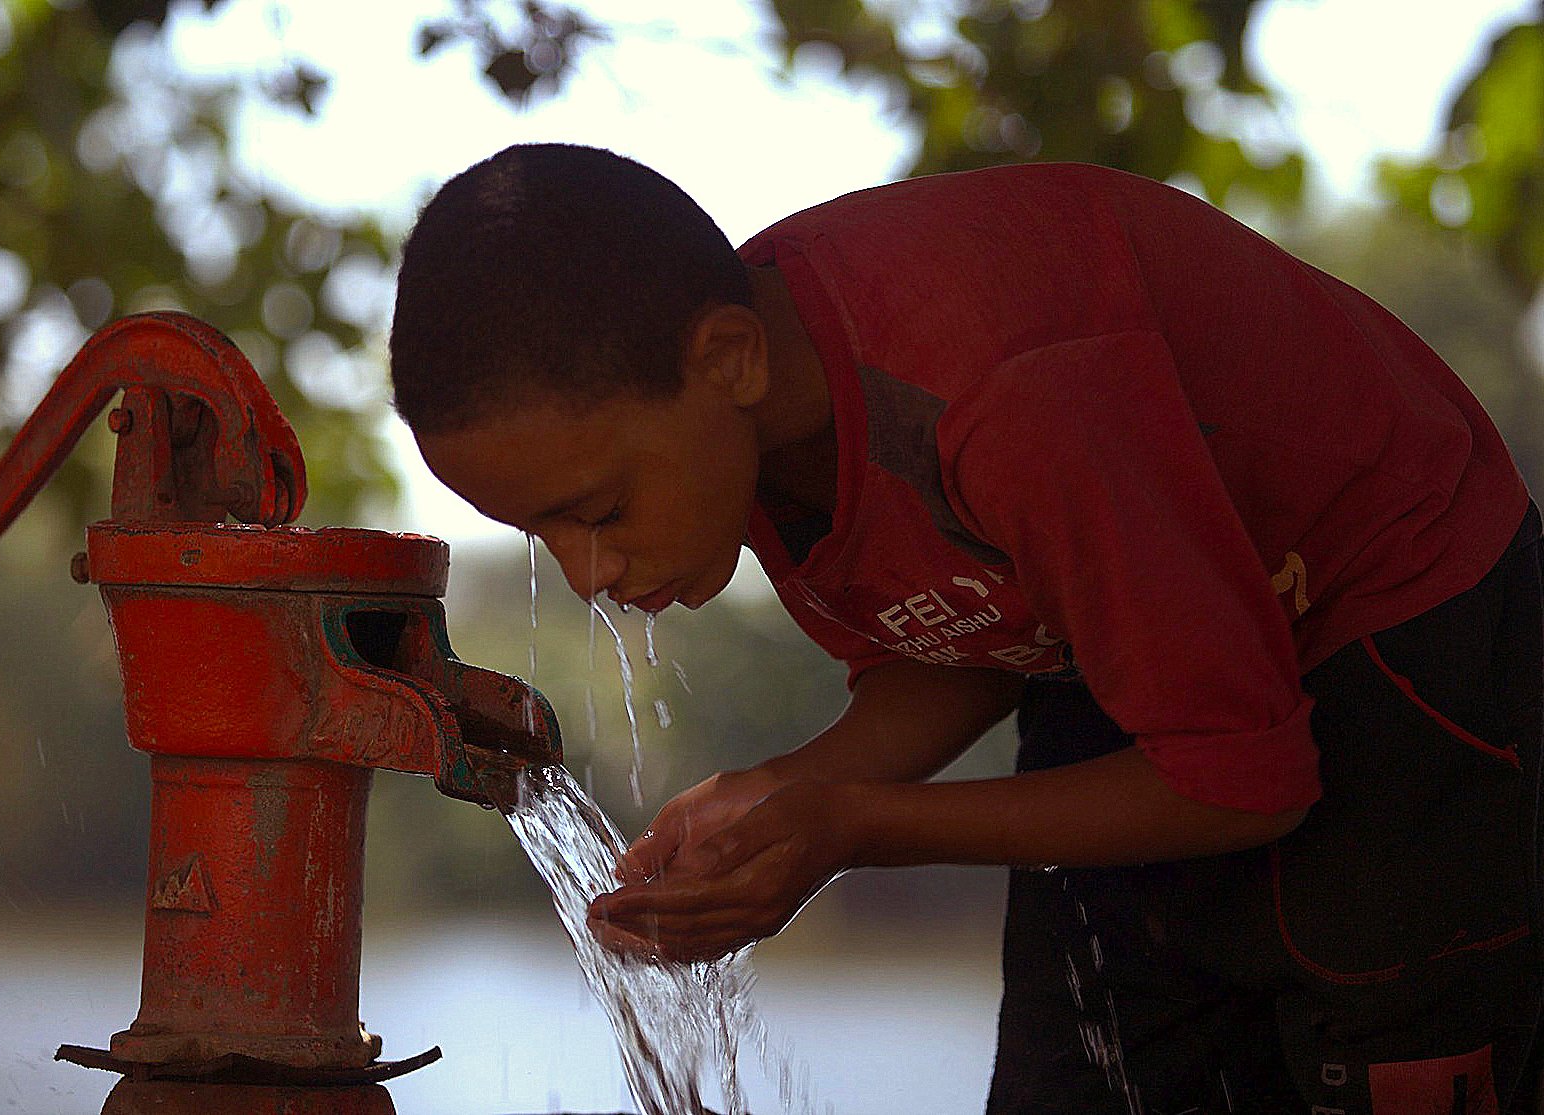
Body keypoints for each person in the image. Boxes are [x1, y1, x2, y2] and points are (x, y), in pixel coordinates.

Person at [387, 143, 1543, 1114]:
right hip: (1128, 646)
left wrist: (850, 821)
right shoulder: (755, 418)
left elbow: (1248, 775)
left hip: (1394, 628)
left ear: (728, 359)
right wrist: (793, 787)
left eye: (599, 511)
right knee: (1085, 1074)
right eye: (544, 536)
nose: (588, 572)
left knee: (1371, 1041)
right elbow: (974, 626)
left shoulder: (999, 391)